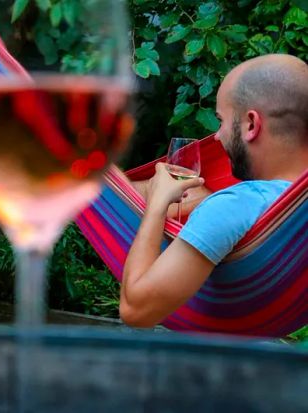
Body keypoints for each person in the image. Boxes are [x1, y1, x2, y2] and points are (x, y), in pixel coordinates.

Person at [120, 54, 308, 328]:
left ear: (252, 125)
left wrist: (158, 203)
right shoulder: (280, 206)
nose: (217, 136)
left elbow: (136, 310)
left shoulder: (233, 206)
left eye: (221, 120)